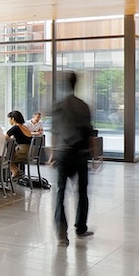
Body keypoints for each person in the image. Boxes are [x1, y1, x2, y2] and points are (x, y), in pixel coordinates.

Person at [50, 72, 95, 246]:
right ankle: (80, 227)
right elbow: (89, 132)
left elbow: (55, 131)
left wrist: (54, 152)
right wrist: (95, 154)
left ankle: (62, 234)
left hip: (63, 152)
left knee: (61, 191)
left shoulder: (58, 106)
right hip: (80, 153)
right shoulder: (83, 106)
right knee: (81, 192)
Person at [5, 110, 33, 178]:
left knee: (4, 158)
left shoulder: (15, 128)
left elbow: (4, 138)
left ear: (13, 119)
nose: (9, 121)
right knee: (8, 156)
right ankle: (17, 171)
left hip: (22, 152)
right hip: (30, 152)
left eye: (9, 119)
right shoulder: (25, 127)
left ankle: (15, 171)